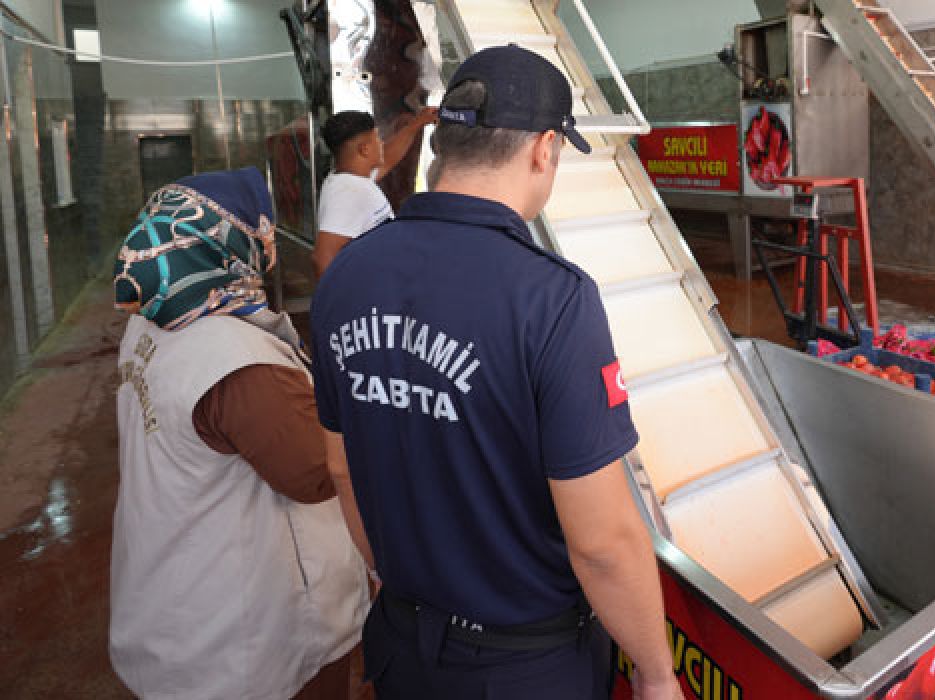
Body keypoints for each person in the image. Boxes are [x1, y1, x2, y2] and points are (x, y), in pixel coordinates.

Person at [309, 46, 680, 699]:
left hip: (401, 646)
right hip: (521, 668)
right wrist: (655, 673)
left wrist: (394, 575)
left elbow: (341, 468)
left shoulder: (346, 278)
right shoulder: (552, 299)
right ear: (543, 150)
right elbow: (601, 542)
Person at [110, 167, 369, 699]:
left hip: (173, 601)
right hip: (242, 640)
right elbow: (317, 469)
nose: (269, 248)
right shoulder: (232, 357)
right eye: (261, 235)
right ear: (227, 244)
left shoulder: (151, 321)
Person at [312, 107, 438, 277]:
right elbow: (322, 257)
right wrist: (340, 301)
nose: (381, 142)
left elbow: (388, 157)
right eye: (377, 138)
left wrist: (417, 123)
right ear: (364, 149)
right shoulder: (346, 193)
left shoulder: (353, 177)